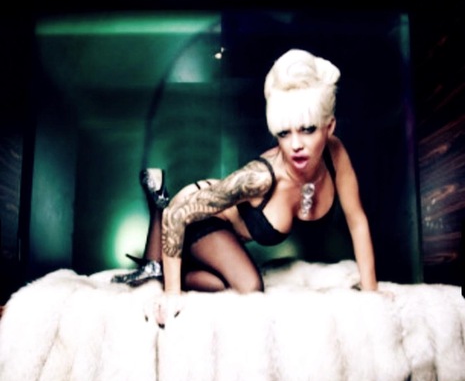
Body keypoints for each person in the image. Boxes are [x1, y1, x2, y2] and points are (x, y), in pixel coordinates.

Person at [112, 49, 378, 323]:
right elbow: (179, 214)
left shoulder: (335, 154)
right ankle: (160, 213)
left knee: (218, 284)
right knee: (250, 286)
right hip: (199, 220)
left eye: (307, 129)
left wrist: (371, 292)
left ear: (329, 127)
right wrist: (171, 293)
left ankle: (160, 252)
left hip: (226, 233)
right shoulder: (260, 177)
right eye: (284, 133)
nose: (296, 145)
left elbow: (357, 220)